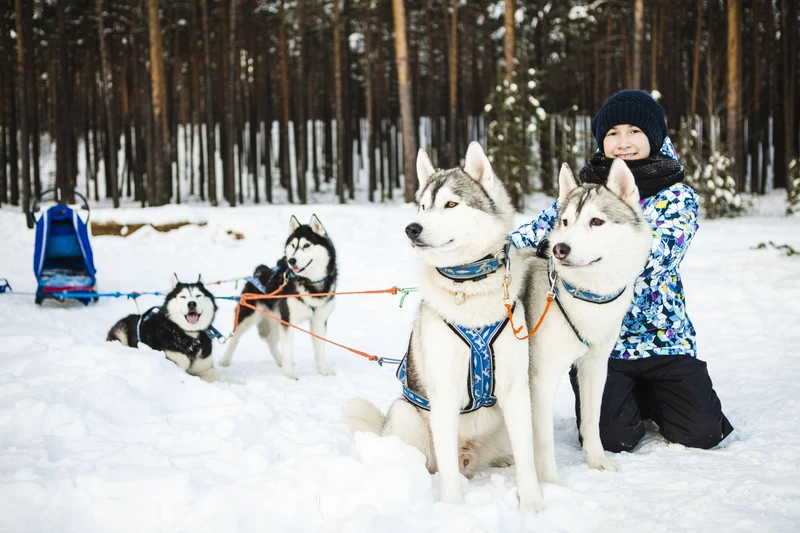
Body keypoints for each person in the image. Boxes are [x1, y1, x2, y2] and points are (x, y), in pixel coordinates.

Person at [510, 90, 733, 452]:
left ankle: (653, 395)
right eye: (612, 133)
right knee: (615, 440)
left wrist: (568, 254)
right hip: (599, 345)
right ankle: (628, 398)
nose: (623, 143)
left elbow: (655, 257)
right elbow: (527, 239)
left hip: (665, 340)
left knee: (703, 433)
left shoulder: (675, 196)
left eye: (634, 132)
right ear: (601, 142)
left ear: (654, 137)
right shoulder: (581, 196)